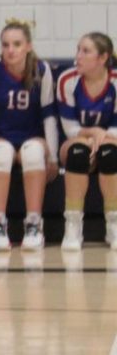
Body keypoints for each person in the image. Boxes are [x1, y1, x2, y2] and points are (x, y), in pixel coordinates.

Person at [0, 20, 58, 251]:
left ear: (28, 46)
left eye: (17, 44)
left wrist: (53, 158)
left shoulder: (41, 70)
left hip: (31, 137)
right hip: (0, 138)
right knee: (1, 154)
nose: (10, 50)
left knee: (33, 153)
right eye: (6, 44)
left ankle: (33, 224)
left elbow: (49, 116)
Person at [56, 31, 117, 251]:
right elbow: (70, 128)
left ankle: (113, 223)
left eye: (86, 51)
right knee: (78, 152)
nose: (78, 56)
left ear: (103, 58)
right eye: (78, 50)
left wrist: (102, 136)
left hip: (108, 140)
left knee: (110, 153)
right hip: (75, 140)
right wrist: (93, 133)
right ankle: (73, 224)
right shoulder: (67, 80)